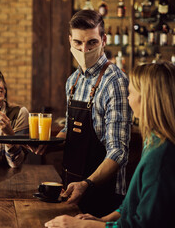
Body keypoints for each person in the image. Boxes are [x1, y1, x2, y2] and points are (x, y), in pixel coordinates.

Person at [45, 61, 175, 228]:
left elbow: (144, 225)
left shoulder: (161, 156)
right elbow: (132, 202)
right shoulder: (153, 142)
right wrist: (103, 220)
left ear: (147, 99)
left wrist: (83, 226)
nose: (127, 98)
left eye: (131, 93)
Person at [31, 10, 132, 216]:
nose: (84, 49)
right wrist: (47, 145)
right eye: (78, 43)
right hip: (71, 185)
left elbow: (118, 151)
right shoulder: (73, 80)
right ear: (70, 41)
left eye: (92, 43)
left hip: (102, 191)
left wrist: (87, 184)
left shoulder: (115, 82)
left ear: (103, 40)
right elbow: (72, 130)